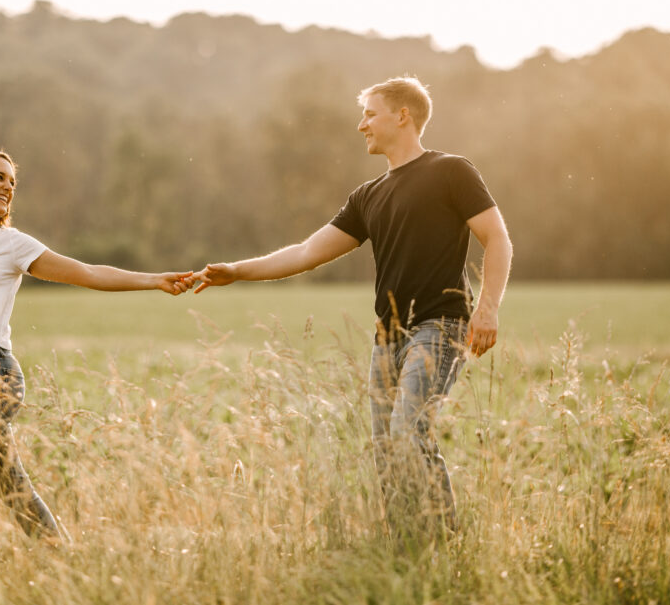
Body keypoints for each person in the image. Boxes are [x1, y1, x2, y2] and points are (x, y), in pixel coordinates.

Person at [192, 77, 512, 536]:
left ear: (402, 116)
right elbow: (305, 252)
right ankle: (408, 546)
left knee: (407, 433)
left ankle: (442, 540)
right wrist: (236, 271)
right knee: (386, 447)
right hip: (387, 338)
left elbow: (496, 238)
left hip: (439, 326)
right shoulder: (367, 197)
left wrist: (488, 307)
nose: (361, 125)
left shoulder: (451, 171)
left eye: (369, 114)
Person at [0, 145, 192, 556]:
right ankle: (64, 559)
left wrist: (154, 279)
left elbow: (86, 273)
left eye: (12, 182)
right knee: (11, 485)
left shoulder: (12, 245)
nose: (8, 187)